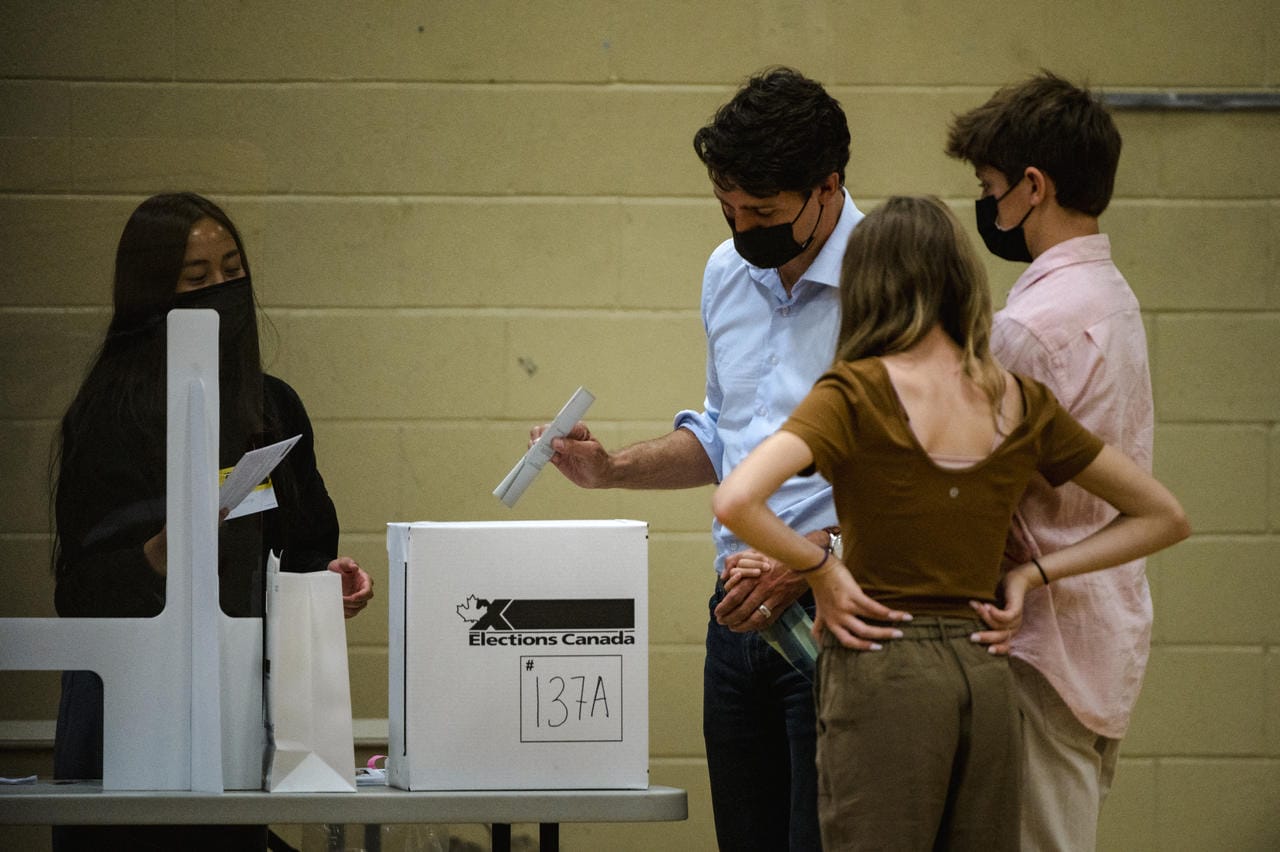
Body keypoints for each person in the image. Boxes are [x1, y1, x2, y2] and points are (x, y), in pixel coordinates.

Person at [711, 195, 1189, 850]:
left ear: (866, 286)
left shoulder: (854, 392)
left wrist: (820, 569)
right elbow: (1164, 515)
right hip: (986, 671)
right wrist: (1033, 575)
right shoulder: (1018, 399)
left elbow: (736, 500)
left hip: (883, 665)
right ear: (962, 281)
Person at [530, 67, 866, 850]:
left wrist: (819, 558)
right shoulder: (727, 271)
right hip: (736, 617)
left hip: (840, 609)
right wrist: (614, 470)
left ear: (827, 188)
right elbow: (724, 437)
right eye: (728, 206)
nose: (743, 227)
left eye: (764, 211)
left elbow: (925, 473)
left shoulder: (888, 276)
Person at [51, 192, 373, 852]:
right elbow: (79, 593)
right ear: (152, 298)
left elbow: (305, 547)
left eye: (233, 271)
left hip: (239, 713)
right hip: (133, 720)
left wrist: (325, 586)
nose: (223, 291)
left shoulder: (274, 406)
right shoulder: (110, 418)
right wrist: (167, 551)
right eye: (197, 281)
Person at [945, 71, 1152, 850]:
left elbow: (977, 484)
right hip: (1100, 635)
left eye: (991, 188)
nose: (989, 208)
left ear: (1034, 186)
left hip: (1041, 644)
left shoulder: (1031, 327)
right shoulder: (1115, 297)